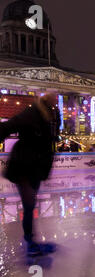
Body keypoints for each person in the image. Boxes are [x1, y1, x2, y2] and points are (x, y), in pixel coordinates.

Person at [0, 94, 60, 256]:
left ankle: (31, 241)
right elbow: (7, 127)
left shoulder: (50, 115)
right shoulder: (31, 113)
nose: (56, 101)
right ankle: (30, 243)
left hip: (35, 167)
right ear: (46, 100)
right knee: (28, 204)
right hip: (23, 168)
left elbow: (49, 141)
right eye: (53, 99)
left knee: (30, 205)